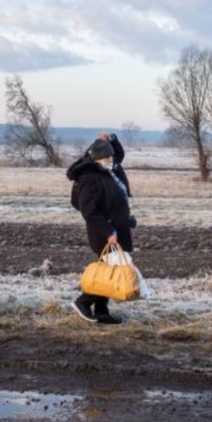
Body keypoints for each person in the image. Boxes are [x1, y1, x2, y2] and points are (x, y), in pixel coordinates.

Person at [66, 133, 134, 325]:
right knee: (110, 270)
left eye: (110, 156)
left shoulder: (107, 170)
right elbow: (89, 211)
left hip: (115, 228)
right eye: (106, 157)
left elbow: (118, 155)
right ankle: (82, 302)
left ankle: (102, 312)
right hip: (103, 233)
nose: (110, 160)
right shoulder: (90, 178)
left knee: (109, 272)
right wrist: (108, 231)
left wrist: (112, 139)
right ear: (95, 159)